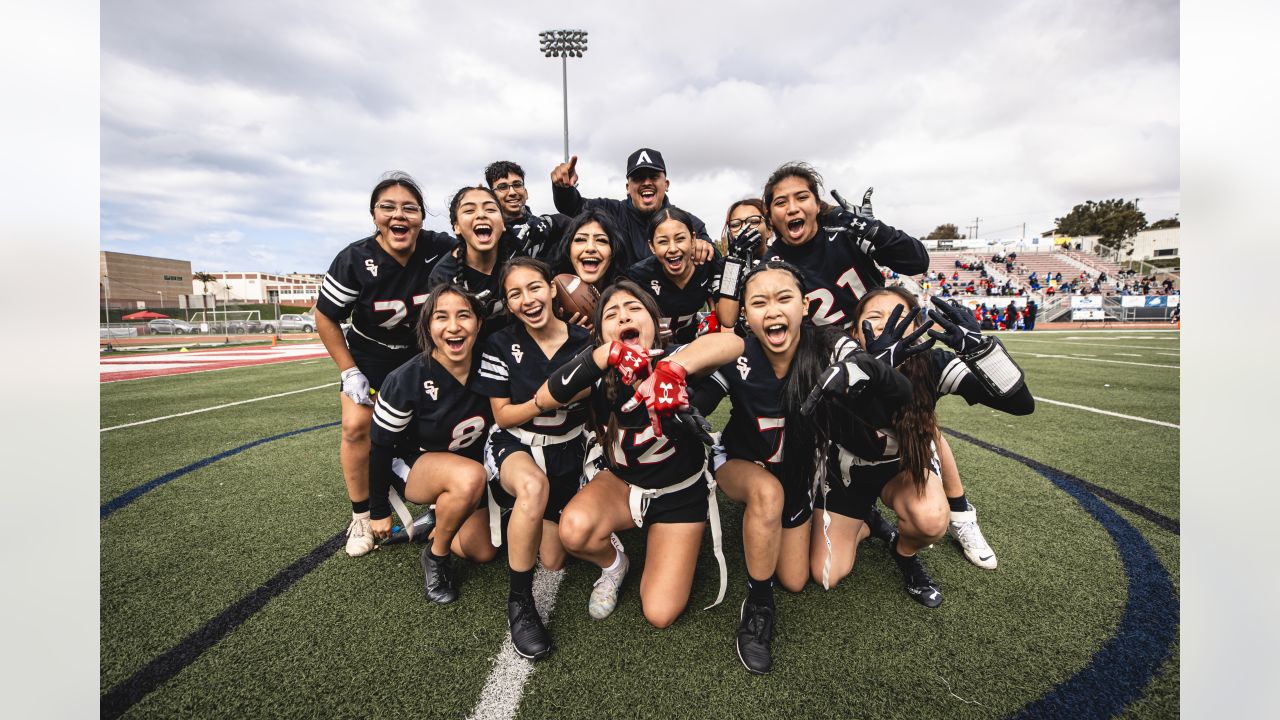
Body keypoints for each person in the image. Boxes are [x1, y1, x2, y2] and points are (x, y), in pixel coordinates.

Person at [701, 262, 912, 674]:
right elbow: (704, 395)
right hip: (743, 463)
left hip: (798, 472)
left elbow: (901, 392)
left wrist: (870, 367)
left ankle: (864, 520)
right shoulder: (739, 352)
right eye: (759, 302)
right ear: (745, 313)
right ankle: (758, 604)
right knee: (767, 495)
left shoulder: (828, 345)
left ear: (805, 305)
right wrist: (685, 406)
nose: (772, 310)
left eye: (784, 298)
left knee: (797, 579)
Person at [529, 280, 744, 630]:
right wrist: (603, 356)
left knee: (660, 612)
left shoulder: (675, 357)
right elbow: (544, 398)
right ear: (600, 334)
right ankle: (615, 565)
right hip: (622, 484)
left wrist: (674, 371)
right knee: (574, 530)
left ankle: (673, 539)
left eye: (633, 309)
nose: (623, 316)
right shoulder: (599, 371)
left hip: (678, 494)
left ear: (655, 323)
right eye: (611, 314)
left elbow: (732, 342)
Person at [814, 288, 1034, 604]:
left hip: (900, 468)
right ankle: (868, 521)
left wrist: (983, 351)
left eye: (898, 319)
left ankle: (904, 554)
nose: (885, 327)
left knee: (930, 519)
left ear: (917, 328)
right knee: (826, 573)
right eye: (874, 319)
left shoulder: (930, 363)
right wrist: (873, 370)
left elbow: (1021, 404)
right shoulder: (836, 363)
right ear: (853, 331)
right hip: (845, 472)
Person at [315, 172, 457, 557]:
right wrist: (349, 371)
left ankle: (437, 500)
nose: (400, 216)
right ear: (374, 216)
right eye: (388, 207)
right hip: (371, 354)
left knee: (435, 427)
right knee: (357, 425)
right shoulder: (354, 259)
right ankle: (362, 514)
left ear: (423, 217)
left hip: (421, 354)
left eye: (410, 208)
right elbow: (326, 316)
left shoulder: (440, 248)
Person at [473, 257, 594, 659]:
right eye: (515, 293)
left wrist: (576, 390)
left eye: (534, 287)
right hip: (517, 442)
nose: (527, 298)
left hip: (567, 449)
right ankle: (520, 603)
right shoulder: (499, 343)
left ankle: (522, 517)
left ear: (551, 288)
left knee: (555, 558)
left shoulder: (583, 341)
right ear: (508, 304)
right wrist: (547, 398)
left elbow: (598, 395)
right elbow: (503, 415)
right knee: (532, 487)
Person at [366, 283, 499, 604]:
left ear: (479, 324)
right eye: (441, 317)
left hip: (465, 466)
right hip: (415, 464)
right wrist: (378, 510)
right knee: (469, 478)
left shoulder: (491, 362)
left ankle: (441, 518)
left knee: (481, 551)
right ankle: (435, 556)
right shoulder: (406, 378)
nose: (453, 326)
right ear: (427, 326)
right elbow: (381, 448)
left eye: (464, 315)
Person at [758, 164, 930, 329]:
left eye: (802, 197)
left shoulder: (846, 226)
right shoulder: (772, 267)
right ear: (771, 218)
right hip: (830, 352)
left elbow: (918, 263)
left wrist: (877, 232)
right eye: (781, 202)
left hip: (882, 333)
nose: (793, 208)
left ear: (818, 205)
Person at [550, 148, 716, 263]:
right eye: (638, 178)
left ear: (666, 184)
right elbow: (572, 206)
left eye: (653, 176)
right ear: (628, 188)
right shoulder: (611, 211)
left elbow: (713, 255)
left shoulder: (688, 223)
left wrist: (704, 246)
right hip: (622, 308)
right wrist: (562, 187)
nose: (646, 183)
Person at [625, 206, 731, 343]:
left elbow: (718, 299)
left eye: (680, 239)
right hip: (655, 350)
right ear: (651, 246)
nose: (673, 249)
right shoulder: (637, 276)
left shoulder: (708, 261)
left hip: (695, 345)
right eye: (663, 241)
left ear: (693, 239)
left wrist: (714, 315)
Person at [429, 186, 514, 334]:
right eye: (469, 210)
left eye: (490, 209)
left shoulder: (518, 252)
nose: (481, 214)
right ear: (457, 227)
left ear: (503, 223)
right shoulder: (443, 276)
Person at [484, 160, 570, 262]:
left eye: (517, 185)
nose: (512, 192)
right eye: (503, 187)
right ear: (491, 196)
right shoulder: (484, 234)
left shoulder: (553, 226)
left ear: (526, 193)